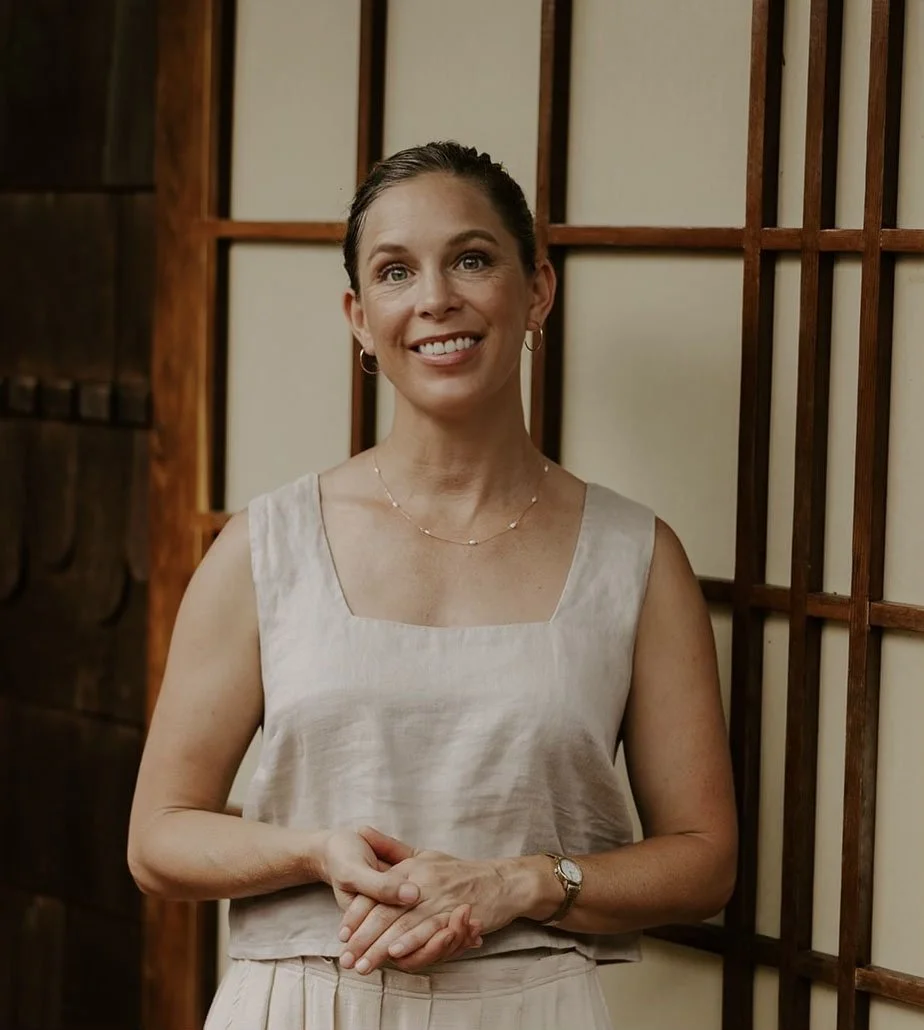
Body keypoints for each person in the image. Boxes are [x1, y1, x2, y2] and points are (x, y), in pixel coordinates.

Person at [128, 141, 737, 1029]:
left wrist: (521, 882)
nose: (436, 298)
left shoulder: (635, 557)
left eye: (473, 259)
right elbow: (158, 837)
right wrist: (315, 853)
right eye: (395, 271)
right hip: (301, 1006)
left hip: (533, 1011)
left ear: (537, 290)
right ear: (359, 317)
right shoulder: (267, 546)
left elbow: (705, 859)